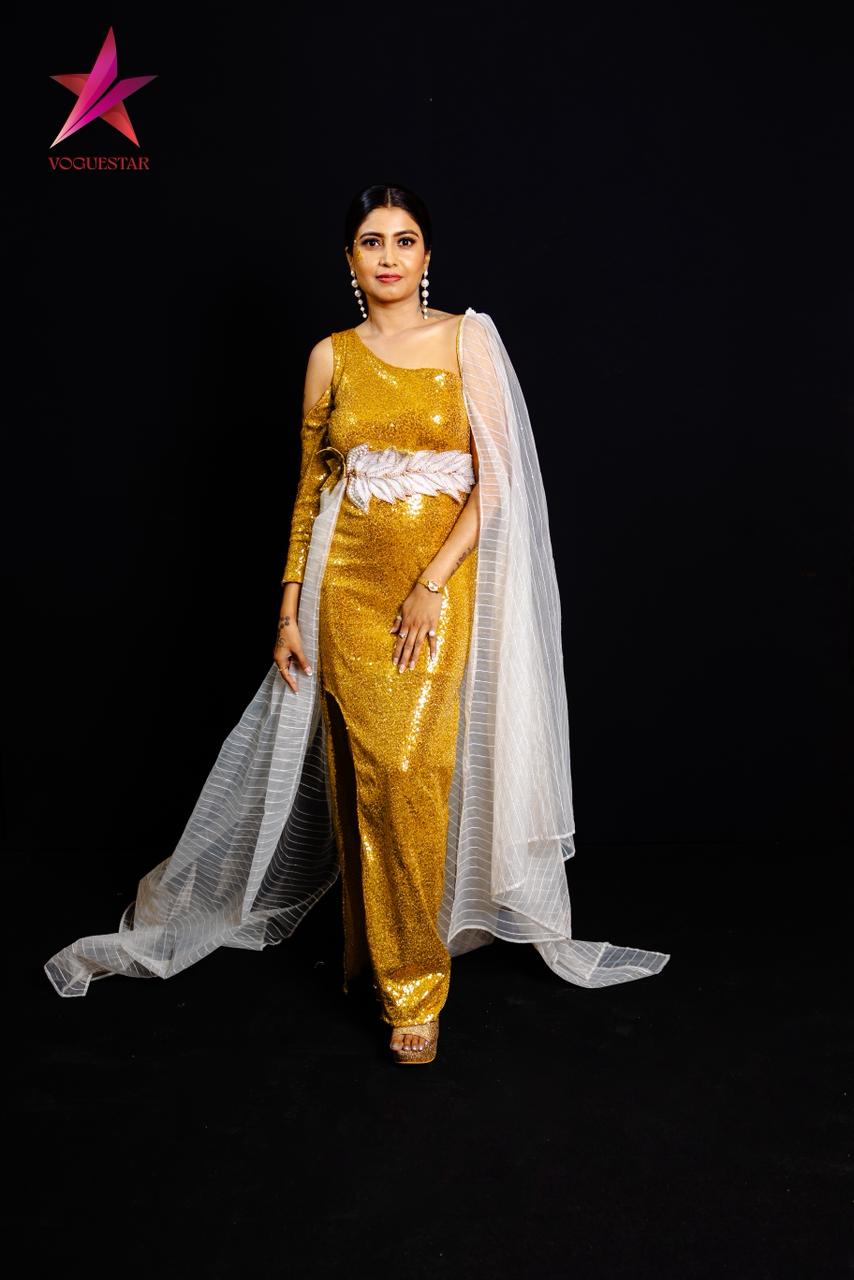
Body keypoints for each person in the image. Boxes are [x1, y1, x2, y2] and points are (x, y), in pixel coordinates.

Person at [44, 184, 670, 1064]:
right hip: (342, 591)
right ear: (348, 260)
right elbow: (311, 491)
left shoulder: (468, 340)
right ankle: (376, 957)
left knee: (411, 774)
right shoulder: (329, 357)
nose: (388, 256)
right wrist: (287, 610)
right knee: (359, 780)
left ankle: (415, 984)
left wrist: (431, 583)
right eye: (371, 241)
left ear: (426, 256)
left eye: (404, 240)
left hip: (434, 592)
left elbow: (499, 480)